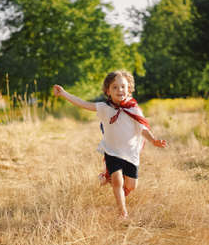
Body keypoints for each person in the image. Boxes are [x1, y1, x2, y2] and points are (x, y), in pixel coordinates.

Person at [53, 70, 167, 218]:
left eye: (123, 86)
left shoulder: (134, 109)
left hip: (130, 153)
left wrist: (153, 140)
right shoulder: (104, 108)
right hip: (112, 151)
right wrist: (64, 93)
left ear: (129, 89)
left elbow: (142, 129)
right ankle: (122, 212)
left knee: (131, 185)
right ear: (108, 91)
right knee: (117, 181)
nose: (119, 90)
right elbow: (83, 104)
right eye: (115, 87)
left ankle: (108, 178)